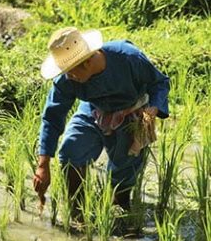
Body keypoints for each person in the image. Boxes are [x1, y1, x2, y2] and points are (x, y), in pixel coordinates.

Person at [33, 27, 170, 213]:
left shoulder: (128, 57)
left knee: (124, 170)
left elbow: (160, 83)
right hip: (94, 109)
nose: (67, 77)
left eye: (71, 72)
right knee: (71, 150)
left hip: (132, 110)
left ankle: (118, 210)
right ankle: (78, 213)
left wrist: (151, 111)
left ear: (87, 62)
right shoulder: (67, 78)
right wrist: (43, 165)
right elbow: (52, 116)